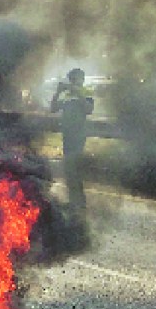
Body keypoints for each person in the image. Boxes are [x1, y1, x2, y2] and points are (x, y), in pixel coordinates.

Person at [51, 67, 95, 210]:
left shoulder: (86, 92)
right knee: (69, 168)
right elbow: (53, 108)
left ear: (82, 79)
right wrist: (58, 92)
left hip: (79, 135)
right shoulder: (67, 95)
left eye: (77, 79)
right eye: (72, 79)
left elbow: (89, 109)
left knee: (74, 167)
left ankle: (80, 201)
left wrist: (79, 94)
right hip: (67, 134)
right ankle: (73, 200)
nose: (74, 82)